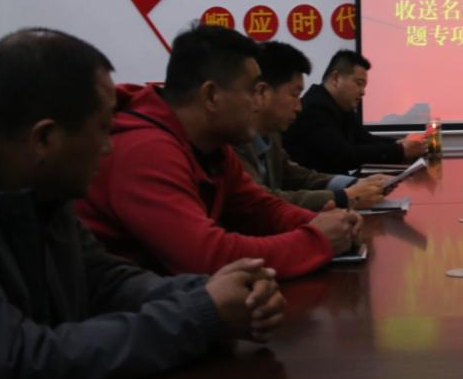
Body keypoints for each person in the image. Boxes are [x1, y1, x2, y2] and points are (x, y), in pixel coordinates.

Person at [0, 29, 285, 379]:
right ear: (45, 138)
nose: (109, 147)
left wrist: (213, 293)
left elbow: (104, 280)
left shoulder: (44, 187)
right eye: (103, 129)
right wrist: (200, 316)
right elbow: (14, 362)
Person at [78, 25, 359, 279]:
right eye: (253, 91)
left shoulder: (213, 147)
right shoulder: (146, 151)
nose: (258, 102)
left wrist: (326, 223)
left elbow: (259, 208)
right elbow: (208, 257)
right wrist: (317, 239)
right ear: (211, 96)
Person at [235, 41, 389, 211]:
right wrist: (344, 197)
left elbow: (300, 177)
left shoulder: (271, 134)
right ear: (261, 92)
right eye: (294, 95)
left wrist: (355, 183)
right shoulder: (232, 141)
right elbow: (263, 201)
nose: (299, 107)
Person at [283, 49, 428, 173]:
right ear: (336, 78)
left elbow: (365, 139)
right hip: (318, 190)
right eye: (359, 83)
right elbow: (344, 156)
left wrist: (401, 142)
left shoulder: (341, 106)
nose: (363, 92)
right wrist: (401, 150)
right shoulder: (315, 108)